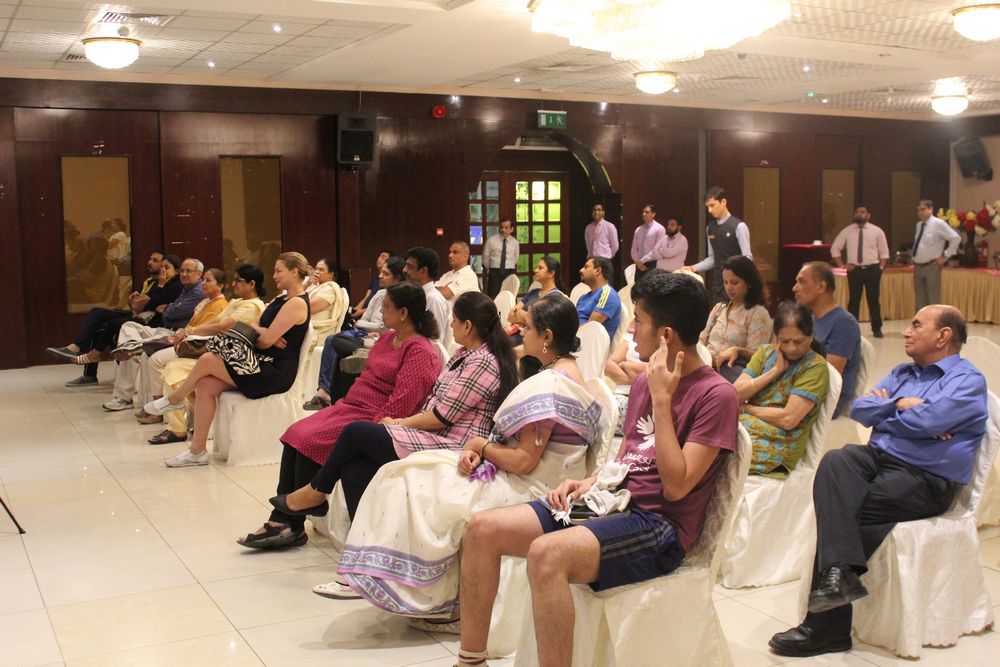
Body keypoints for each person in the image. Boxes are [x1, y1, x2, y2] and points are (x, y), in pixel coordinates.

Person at [455, 272, 739, 667]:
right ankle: (470, 662)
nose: (631, 329)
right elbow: (627, 460)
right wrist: (588, 481)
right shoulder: (644, 384)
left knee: (547, 555)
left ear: (666, 335)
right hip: (613, 501)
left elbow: (676, 487)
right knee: (482, 530)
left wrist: (663, 402)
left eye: (639, 320)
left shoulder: (716, 395)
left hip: (660, 525)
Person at [331, 295, 608, 630]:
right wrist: (482, 448)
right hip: (541, 475)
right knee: (409, 470)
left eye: (528, 327)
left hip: (535, 487)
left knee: (413, 481)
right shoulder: (565, 373)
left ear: (547, 337)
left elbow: (523, 461)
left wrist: (480, 445)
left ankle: (441, 599)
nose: (521, 332)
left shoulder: (550, 385)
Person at [769, 305, 987, 658]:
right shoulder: (903, 373)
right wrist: (901, 405)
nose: (907, 331)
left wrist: (893, 414)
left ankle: (825, 626)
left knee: (840, 508)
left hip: (925, 478)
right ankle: (838, 581)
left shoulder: (967, 381)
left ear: (943, 336)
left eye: (916, 325)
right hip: (878, 459)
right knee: (837, 460)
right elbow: (860, 409)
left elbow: (929, 421)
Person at [262, 292, 519, 559]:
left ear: (468, 326)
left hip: (451, 440)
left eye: (454, 320)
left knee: (354, 432)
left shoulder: (479, 361)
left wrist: (399, 423)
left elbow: (441, 416)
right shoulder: (463, 354)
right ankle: (366, 550)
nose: (450, 325)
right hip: (415, 423)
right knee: (351, 468)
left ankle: (316, 492)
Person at [236, 281, 442, 548]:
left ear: (404, 313)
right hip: (353, 405)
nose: (381, 312)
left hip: (375, 415)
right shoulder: (387, 338)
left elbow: (401, 404)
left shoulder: (420, 351)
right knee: (296, 432)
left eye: (387, 307)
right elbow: (367, 378)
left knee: (310, 438)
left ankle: (287, 522)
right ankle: (286, 522)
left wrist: (370, 428)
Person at [144, 252, 314, 468]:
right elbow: (253, 326)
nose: (274, 276)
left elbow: (264, 342)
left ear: (294, 272)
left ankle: (176, 398)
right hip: (259, 362)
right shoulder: (281, 299)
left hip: (273, 372)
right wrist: (262, 330)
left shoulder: (296, 303)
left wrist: (262, 333)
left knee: (208, 359)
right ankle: (197, 451)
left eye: (278, 271)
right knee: (205, 384)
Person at [145, 265, 267, 443]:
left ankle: (177, 423)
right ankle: (182, 423)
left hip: (230, 358)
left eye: (238, 280)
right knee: (174, 369)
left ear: (252, 284)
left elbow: (223, 327)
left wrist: (190, 331)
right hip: (217, 351)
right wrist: (188, 331)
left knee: (174, 368)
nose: (233, 284)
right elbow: (215, 321)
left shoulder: (253, 306)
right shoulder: (237, 302)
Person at [48, 252, 180, 387]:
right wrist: (142, 301)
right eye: (161, 265)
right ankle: (75, 348)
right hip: (138, 315)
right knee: (97, 313)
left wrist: (152, 296)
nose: (151, 263)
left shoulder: (173, 285)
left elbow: (151, 303)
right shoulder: (151, 282)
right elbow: (136, 305)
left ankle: (93, 362)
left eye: (164, 265)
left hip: (151, 321)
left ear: (176, 271)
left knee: (109, 326)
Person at [734, 302, 830, 478]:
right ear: (776, 337)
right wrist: (774, 372)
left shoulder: (815, 366)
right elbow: (735, 395)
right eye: (784, 341)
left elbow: (788, 419)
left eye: (798, 341)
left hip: (780, 440)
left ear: (811, 336)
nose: (792, 348)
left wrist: (747, 408)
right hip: (749, 427)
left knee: (717, 448)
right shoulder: (765, 353)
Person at [100, 259, 206, 412]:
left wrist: (168, 309)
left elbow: (170, 313)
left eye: (188, 271)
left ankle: (124, 393)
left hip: (175, 334)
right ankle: (131, 346)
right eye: (182, 270)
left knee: (138, 351)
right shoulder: (185, 289)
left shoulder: (198, 292)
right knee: (129, 327)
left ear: (200, 274)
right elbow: (161, 309)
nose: (184, 274)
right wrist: (169, 308)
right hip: (165, 329)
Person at [303, 256, 406, 410]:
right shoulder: (379, 294)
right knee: (334, 340)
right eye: (381, 272)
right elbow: (363, 320)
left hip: (381, 338)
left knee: (335, 342)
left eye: (385, 273)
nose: (380, 276)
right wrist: (367, 326)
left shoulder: (401, 297)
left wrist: (370, 327)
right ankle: (325, 391)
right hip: (362, 334)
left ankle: (331, 394)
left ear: (397, 277)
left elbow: (385, 326)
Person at [126, 267, 227, 419]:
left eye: (208, 280)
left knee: (155, 360)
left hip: (197, 347)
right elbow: (178, 317)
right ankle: (151, 403)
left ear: (220, 285)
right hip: (184, 338)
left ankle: (159, 410)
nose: (203, 283)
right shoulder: (205, 301)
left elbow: (206, 330)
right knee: (146, 355)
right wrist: (182, 332)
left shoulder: (221, 305)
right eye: (203, 280)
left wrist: (185, 333)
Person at [793, 261, 861, 418]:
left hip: (825, 399)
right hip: (802, 385)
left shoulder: (843, 323)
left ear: (820, 287)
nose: (795, 288)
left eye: (801, 282)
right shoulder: (808, 317)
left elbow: (829, 376)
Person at [699, 255, 772, 382]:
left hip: (732, 373)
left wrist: (738, 351)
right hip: (707, 368)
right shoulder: (719, 308)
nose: (729, 287)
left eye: (734, 283)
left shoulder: (757, 313)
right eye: (725, 282)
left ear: (749, 282)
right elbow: (702, 340)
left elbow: (759, 356)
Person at [684, 186, 753, 302]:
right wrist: (692, 268)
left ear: (723, 202)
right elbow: (712, 259)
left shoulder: (739, 226)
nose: (710, 210)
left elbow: (748, 257)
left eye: (712, 205)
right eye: (707, 207)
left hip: (736, 281)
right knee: (718, 312)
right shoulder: (710, 228)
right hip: (718, 283)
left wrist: (741, 276)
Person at [830, 204, 890, 338]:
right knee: (853, 300)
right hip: (854, 270)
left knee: (873, 300)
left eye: (862, 212)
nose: (859, 214)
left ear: (868, 215)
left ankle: (877, 329)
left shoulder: (877, 231)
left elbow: (884, 252)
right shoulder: (847, 231)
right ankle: (852, 329)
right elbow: (835, 248)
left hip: (872, 270)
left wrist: (880, 268)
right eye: (857, 212)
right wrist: (842, 265)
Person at [911, 199, 960, 311]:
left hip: (932, 265)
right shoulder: (919, 225)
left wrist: (945, 256)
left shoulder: (938, 223)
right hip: (918, 266)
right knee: (920, 300)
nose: (920, 212)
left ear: (930, 209)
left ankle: (934, 321)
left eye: (922, 209)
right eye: (918, 210)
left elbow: (955, 238)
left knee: (933, 299)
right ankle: (922, 321)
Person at [507, 255, 566, 345]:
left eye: (540, 268)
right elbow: (510, 315)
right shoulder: (533, 292)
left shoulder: (556, 297)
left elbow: (541, 323)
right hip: (518, 336)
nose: (536, 270)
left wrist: (519, 313)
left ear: (551, 273)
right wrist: (528, 318)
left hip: (535, 342)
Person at [406, 247, 452, 344]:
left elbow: (435, 341)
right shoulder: (416, 295)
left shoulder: (434, 299)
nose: (405, 270)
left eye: (409, 267)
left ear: (423, 270)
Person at [576, 257, 622, 341]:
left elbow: (589, 329)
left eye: (586, 267)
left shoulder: (607, 294)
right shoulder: (583, 298)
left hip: (590, 344)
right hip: (576, 341)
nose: (581, 270)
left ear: (598, 270)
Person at [305, 257, 347, 343]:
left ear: (330, 274)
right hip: (307, 328)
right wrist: (306, 284)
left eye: (321, 270)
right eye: (316, 269)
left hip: (318, 332)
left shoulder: (330, 289)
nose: (316, 272)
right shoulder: (314, 286)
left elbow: (307, 308)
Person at [483, 219, 519, 299]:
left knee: (509, 295)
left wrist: (508, 266)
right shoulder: (491, 241)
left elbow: (516, 258)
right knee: (493, 296)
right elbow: (485, 256)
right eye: (502, 227)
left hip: (509, 271)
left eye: (506, 227)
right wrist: (492, 268)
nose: (503, 230)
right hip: (495, 272)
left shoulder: (515, 243)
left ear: (511, 229)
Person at [351, 249, 391, 320]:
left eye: (383, 257)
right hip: (364, 312)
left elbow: (380, 306)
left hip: (373, 315)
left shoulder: (387, 282)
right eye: (379, 257)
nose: (379, 259)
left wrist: (361, 311)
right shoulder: (375, 279)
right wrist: (356, 309)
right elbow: (366, 297)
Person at [629, 204, 665, 277]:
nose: (644, 214)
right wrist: (637, 261)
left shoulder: (659, 229)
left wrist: (642, 261)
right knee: (638, 283)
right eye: (643, 212)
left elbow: (656, 249)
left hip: (652, 264)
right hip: (639, 265)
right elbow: (633, 249)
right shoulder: (638, 229)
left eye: (647, 212)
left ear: (653, 214)